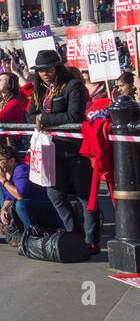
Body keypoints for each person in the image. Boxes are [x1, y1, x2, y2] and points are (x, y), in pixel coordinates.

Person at [25, 49, 97, 251]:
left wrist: (44, 119)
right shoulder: (39, 90)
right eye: (41, 70)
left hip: (74, 149)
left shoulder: (73, 86)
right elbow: (29, 116)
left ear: (57, 68)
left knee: (85, 196)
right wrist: (39, 119)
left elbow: (74, 116)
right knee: (55, 194)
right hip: (50, 149)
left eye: (49, 69)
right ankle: (74, 234)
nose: (45, 73)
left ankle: (92, 240)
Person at [0, 143, 56, 241]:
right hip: (26, 207)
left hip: (43, 206)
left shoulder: (21, 169)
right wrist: (4, 209)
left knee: (20, 204)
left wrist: (4, 180)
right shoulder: (5, 173)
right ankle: (20, 236)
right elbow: (8, 197)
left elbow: (20, 195)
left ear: (12, 161)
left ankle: (33, 235)